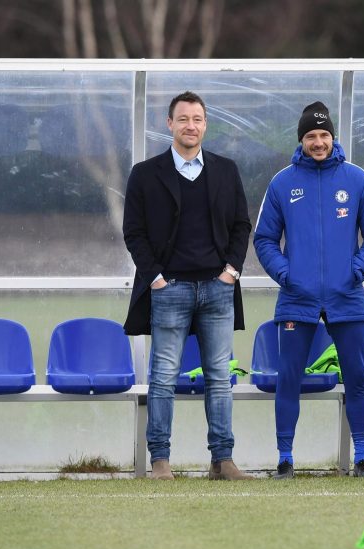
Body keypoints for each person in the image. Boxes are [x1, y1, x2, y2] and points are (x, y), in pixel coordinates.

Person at [254, 101, 364, 479]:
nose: (318, 142)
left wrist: (357, 269)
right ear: (301, 140)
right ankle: (285, 458)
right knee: (289, 378)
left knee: (357, 377)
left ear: (333, 137)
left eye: (324, 135)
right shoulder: (283, 182)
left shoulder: (357, 179)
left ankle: (361, 456)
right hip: (297, 297)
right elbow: (264, 239)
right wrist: (286, 274)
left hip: (346, 296)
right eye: (311, 136)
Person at [123, 91, 253, 481]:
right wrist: (157, 278)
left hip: (217, 289)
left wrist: (231, 272)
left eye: (197, 119)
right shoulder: (145, 174)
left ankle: (222, 460)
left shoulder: (226, 170)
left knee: (218, 376)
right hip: (170, 289)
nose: (190, 126)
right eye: (183, 119)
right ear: (169, 124)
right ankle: (160, 459)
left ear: (205, 124)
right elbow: (134, 232)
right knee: (163, 376)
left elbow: (241, 226)